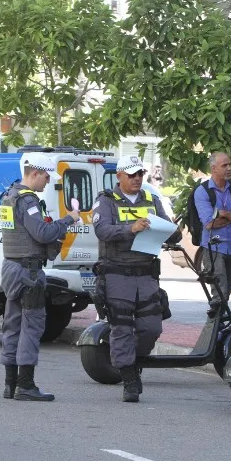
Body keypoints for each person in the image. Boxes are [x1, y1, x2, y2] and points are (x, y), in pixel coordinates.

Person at [93, 155, 182, 402]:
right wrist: (130, 229)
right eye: (131, 174)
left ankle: (133, 361)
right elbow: (102, 230)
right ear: (119, 176)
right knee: (121, 328)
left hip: (146, 274)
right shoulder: (107, 201)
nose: (137, 179)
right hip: (117, 274)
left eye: (140, 174)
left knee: (151, 327)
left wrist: (174, 232)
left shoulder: (152, 199)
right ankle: (129, 379)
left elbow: (170, 230)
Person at [0, 153, 80, 401]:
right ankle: (25, 385)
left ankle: (10, 384)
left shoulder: (9, 195)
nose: (47, 182)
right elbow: (43, 233)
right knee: (31, 327)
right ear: (34, 173)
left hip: (12, 268)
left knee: (12, 325)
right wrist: (69, 220)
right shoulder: (28, 201)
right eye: (46, 176)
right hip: (28, 272)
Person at [193, 152, 231, 312]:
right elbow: (210, 224)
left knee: (225, 295)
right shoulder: (202, 191)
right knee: (219, 296)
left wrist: (225, 213)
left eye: (229, 164)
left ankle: (219, 333)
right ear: (213, 169)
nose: (229, 168)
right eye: (224, 165)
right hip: (213, 248)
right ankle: (212, 334)